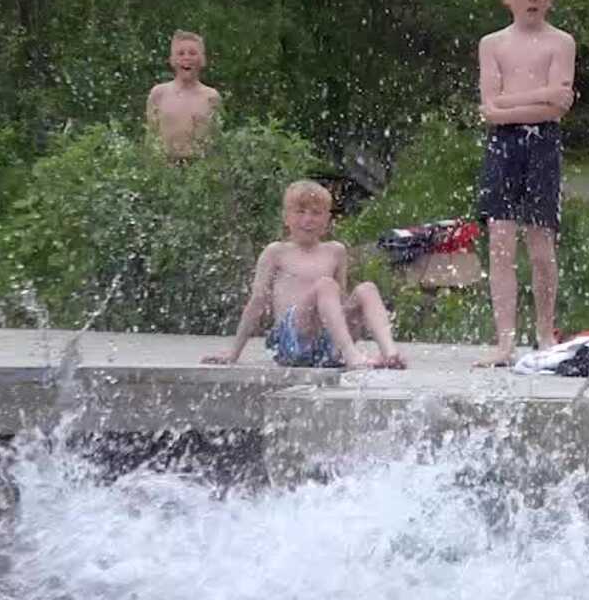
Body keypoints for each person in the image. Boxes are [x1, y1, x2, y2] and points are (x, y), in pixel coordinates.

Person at [475, 0, 576, 367]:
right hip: (503, 145)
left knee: (540, 243)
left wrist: (511, 103)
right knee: (500, 243)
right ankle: (505, 341)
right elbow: (490, 110)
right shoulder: (492, 44)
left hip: (542, 144)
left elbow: (556, 111)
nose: (533, 0)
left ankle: (544, 333)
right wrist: (542, 95)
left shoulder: (561, 43)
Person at [203, 180, 406, 370]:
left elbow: (339, 302)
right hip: (292, 342)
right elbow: (257, 301)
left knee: (366, 289)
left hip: (327, 343)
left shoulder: (336, 251)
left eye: (316, 213)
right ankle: (351, 355)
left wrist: (355, 319)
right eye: (300, 212)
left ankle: (390, 353)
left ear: (327, 219)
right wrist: (233, 353)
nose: (308, 220)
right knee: (325, 285)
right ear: (286, 217)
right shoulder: (276, 252)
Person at [145, 30, 222, 159]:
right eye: (180, 53)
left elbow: (216, 140)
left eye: (192, 53)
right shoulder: (159, 93)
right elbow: (150, 138)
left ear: (203, 60)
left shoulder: (211, 96)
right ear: (172, 60)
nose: (186, 58)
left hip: (199, 165)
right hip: (165, 164)